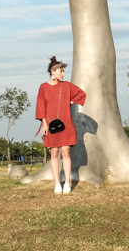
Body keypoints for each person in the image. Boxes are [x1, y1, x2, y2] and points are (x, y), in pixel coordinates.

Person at [35, 55, 86, 193]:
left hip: (66, 124)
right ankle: (57, 183)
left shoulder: (67, 86)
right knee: (54, 153)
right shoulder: (43, 87)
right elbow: (41, 106)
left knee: (66, 151)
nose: (63, 74)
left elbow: (81, 94)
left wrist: (70, 102)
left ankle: (68, 182)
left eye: (63, 71)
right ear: (52, 72)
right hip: (50, 124)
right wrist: (44, 123)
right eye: (60, 71)